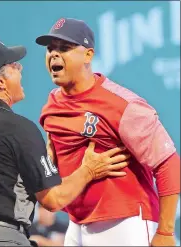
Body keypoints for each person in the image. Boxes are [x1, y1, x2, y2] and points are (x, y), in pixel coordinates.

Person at [0, 36, 130, 246]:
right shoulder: (17, 127)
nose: (20, 70)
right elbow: (53, 199)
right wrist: (89, 170)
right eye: (14, 66)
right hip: (0, 237)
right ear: (0, 81)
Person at [36, 17, 180, 246]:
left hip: (124, 221)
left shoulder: (121, 104)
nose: (54, 54)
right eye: (50, 49)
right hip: (77, 222)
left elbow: (168, 162)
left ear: (88, 55)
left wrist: (165, 232)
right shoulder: (52, 103)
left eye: (65, 48)